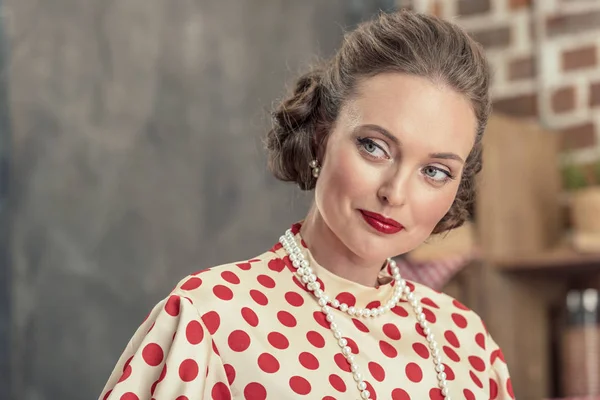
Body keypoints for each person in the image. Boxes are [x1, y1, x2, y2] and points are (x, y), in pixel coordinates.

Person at [100, 9, 513, 400]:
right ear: (320, 135)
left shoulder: (467, 341)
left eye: (435, 171)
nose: (396, 192)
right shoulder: (209, 318)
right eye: (374, 147)